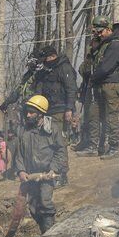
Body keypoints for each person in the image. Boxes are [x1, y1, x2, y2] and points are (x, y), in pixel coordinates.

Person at [12, 94, 67, 233]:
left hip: (47, 174)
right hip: (30, 176)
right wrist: (21, 171)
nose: (28, 115)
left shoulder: (52, 129)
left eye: (32, 112)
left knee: (45, 202)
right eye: (27, 112)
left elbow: (61, 151)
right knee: (33, 207)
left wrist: (54, 169)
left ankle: (49, 234)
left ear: (41, 114)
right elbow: (19, 154)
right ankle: (44, 231)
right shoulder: (24, 130)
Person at [88, 21, 119, 158]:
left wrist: (94, 78)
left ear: (111, 30)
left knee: (111, 115)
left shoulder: (115, 45)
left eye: (100, 31)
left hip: (112, 83)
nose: (99, 35)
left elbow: (106, 66)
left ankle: (113, 146)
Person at [31, 45, 77, 185]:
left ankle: (61, 174)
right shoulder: (43, 71)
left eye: (45, 59)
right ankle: (51, 172)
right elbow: (38, 91)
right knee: (48, 142)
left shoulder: (64, 68)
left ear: (51, 57)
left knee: (60, 143)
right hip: (47, 112)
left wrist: (69, 109)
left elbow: (71, 89)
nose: (43, 62)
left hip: (61, 111)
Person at [76, 17, 107, 152]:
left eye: (99, 31)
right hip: (92, 85)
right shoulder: (93, 45)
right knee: (92, 115)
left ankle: (104, 143)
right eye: (95, 30)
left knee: (106, 117)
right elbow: (85, 67)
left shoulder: (109, 45)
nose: (96, 33)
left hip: (104, 85)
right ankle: (92, 144)